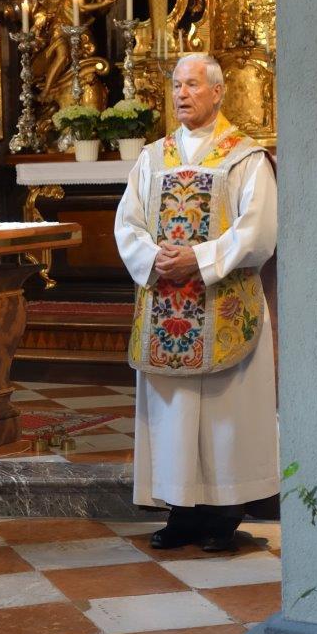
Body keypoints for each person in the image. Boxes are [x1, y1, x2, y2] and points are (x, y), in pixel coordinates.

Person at [114, 53, 278, 552]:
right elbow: (128, 223)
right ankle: (181, 510)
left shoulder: (245, 158)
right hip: (166, 305)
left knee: (225, 414)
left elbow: (259, 231)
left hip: (222, 305)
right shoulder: (153, 158)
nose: (181, 94)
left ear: (217, 91)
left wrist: (199, 259)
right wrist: (156, 258)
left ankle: (225, 514)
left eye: (192, 85)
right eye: (176, 85)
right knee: (174, 415)